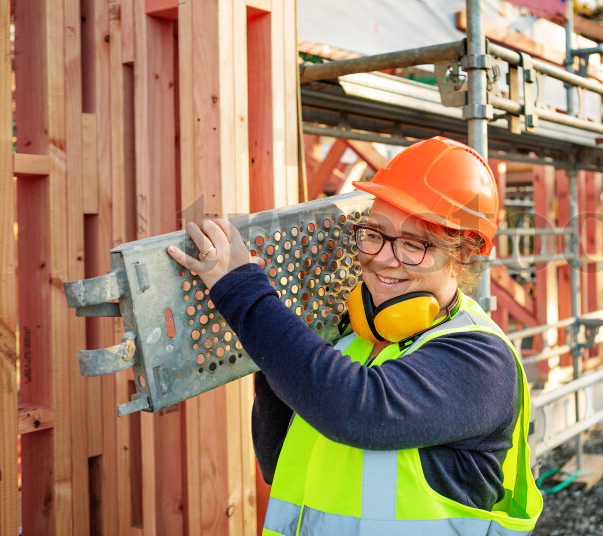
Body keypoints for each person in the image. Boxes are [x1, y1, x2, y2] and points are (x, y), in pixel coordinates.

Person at [167, 136, 543, 535]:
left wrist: (242, 291)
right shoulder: (348, 340)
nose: (382, 257)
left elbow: (357, 409)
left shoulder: (482, 361)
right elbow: (278, 462)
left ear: (463, 254)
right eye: (374, 234)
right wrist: (285, 347)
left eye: (414, 245)